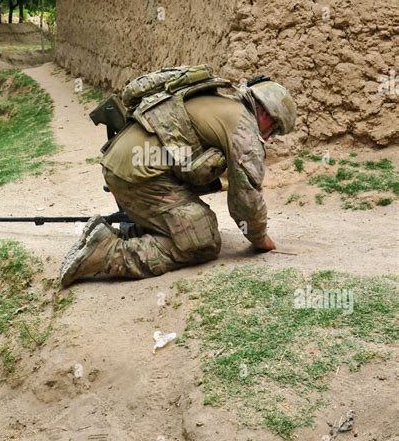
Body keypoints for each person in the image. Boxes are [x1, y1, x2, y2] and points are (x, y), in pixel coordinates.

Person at [59, 73, 296, 286]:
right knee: (204, 241)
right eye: (274, 129)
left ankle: (104, 236)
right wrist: (259, 237)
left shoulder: (219, 100)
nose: (270, 136)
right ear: (266, 113)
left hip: (122, 165)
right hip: (139, 176)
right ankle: (106, 253)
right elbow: (247, 197)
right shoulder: (244, 129)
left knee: (190, 223)